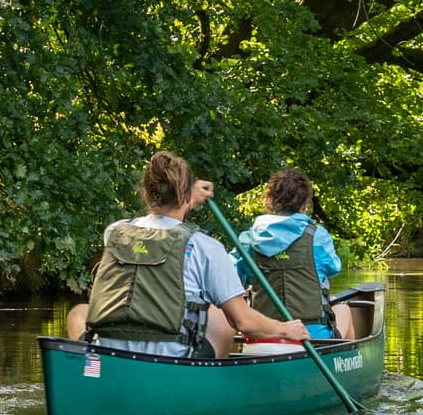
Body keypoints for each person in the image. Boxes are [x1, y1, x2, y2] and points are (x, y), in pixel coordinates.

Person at [60, 149, 304, 361]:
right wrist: (285, 330)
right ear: (186, 197)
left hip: (111, 355)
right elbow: (244, 322)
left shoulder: (114, 233)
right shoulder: (205, 246)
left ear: (145, 193)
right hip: (171, 359)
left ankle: (91, 367)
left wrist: (185, 196)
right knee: (219, 313)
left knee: (79, 312)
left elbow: (160, 219)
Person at [242, 166, 366, 342]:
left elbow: (232, 278)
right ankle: (346, 363)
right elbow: (334, 268)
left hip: (262, 338)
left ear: (269, 200)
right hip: (312, 338)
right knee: (343, 309)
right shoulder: (318, 236)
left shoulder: (249, 240)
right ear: (305, 203)